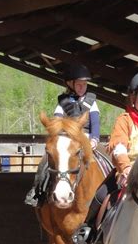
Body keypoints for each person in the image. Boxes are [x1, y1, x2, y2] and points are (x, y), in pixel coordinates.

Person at [72, 70, 138, 244]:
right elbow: (119, 147)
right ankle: (89, 231)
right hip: (129, 172)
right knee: (101, 195)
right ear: (133, 97)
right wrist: (125, 168)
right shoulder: (125, 120)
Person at [24, 61, 100, 207]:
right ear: (70, 84)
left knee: (108, 161)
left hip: (88, 139)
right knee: (44, 163)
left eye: (84, 84)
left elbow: (95, 123)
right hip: (67, 140)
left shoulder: (92, 102)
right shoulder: (63, 102)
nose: (82, 87)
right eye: (78, 84)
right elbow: (57, 123)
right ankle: (37, 192)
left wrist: (95, 139)